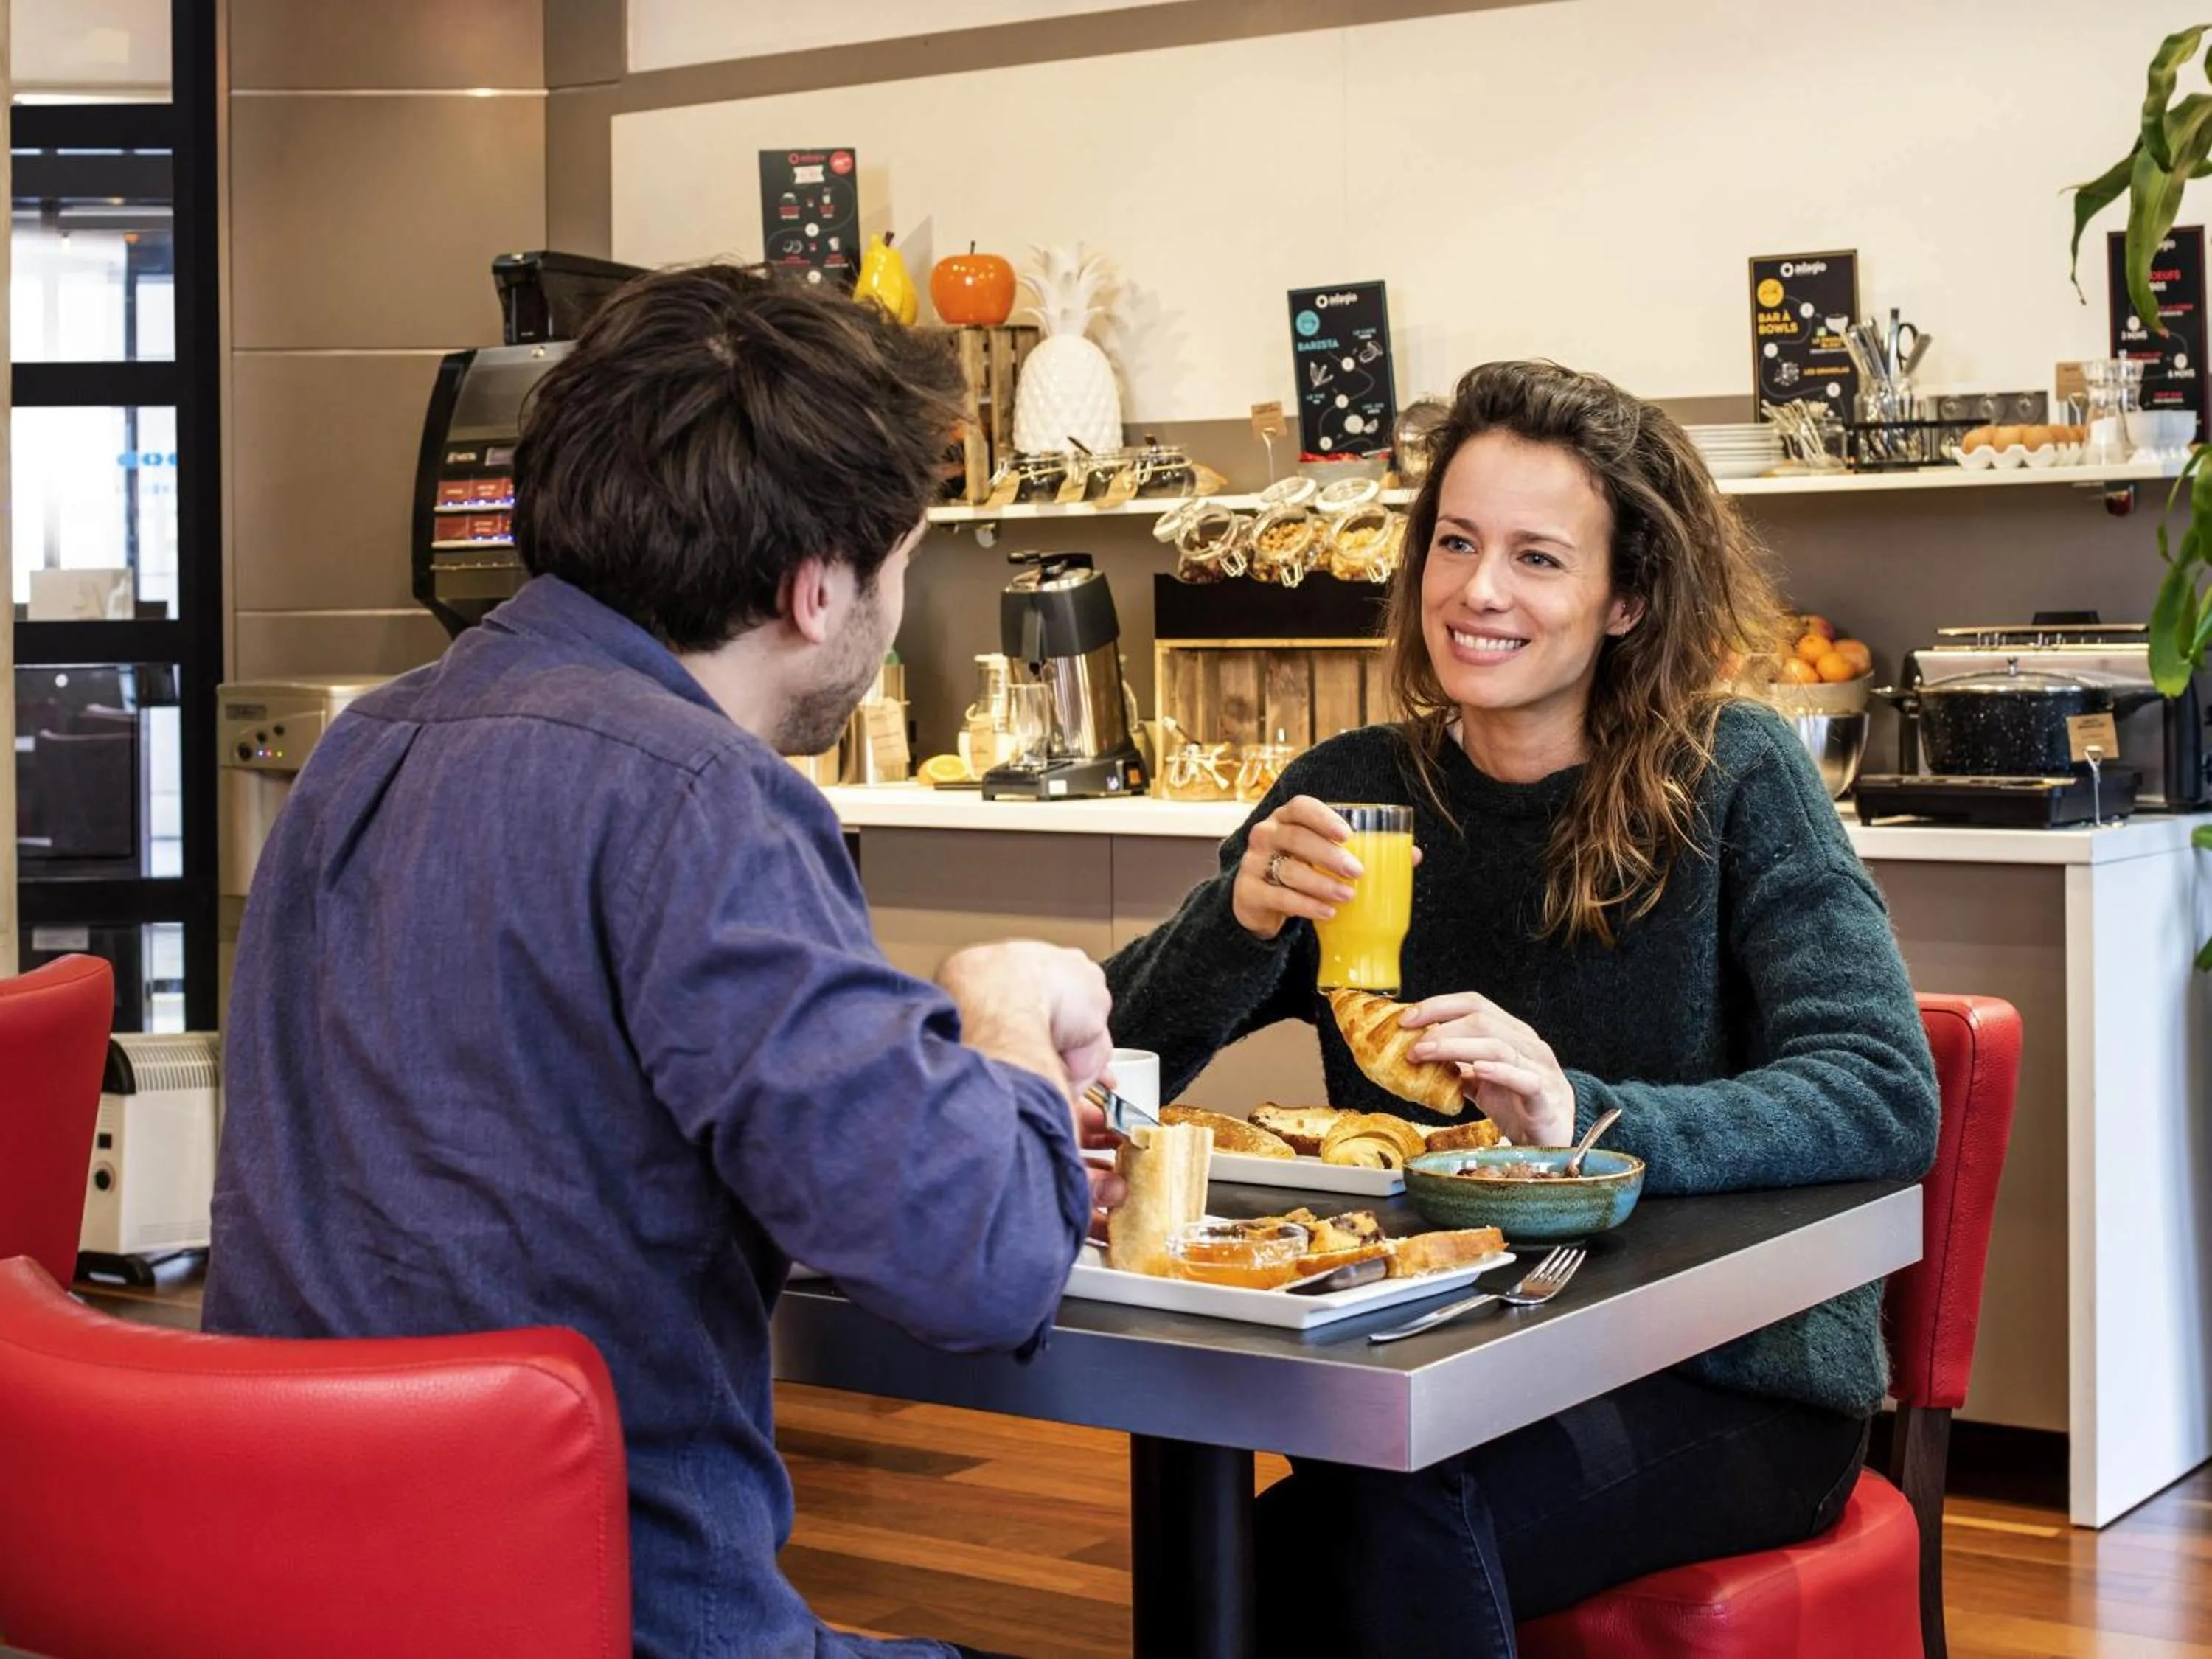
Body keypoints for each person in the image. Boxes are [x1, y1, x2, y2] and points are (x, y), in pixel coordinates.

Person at [204, 263, 1123, 1659]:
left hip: (286, 1604)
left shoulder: (359, 749)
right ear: (818, 589)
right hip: (604, 1619)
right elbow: (984, 1260)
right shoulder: (700, 798)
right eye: (899, 562)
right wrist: (1000, 1002)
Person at [1105, 359, 1940, 1653]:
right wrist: (1240, 919)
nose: (1476, 591)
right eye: (1454, 541)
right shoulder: (1357, 793)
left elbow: (1883, 1085)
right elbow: (1110, 1059)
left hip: (1726, 1379)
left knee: (1382, 1531)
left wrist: (1581, 1119)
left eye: (1538, 558)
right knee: (1229, 1572)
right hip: (1441, 1363)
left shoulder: (1732, 774)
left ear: (1628, 598)